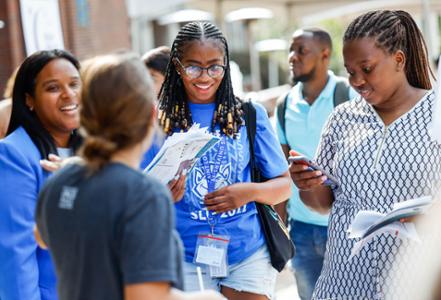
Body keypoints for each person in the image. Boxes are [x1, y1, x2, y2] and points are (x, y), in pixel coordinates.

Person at [35, 53, 224, 300]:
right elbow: (145, 296)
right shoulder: (143, 194)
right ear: (151, 113)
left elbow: (42, 237)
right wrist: (208, 297)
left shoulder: (60, 180)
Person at [289, 10, 441, 299]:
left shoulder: (436, 116)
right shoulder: (341, 119)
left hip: (412, 282)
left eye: (367, 69)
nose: (356, 80)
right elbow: (321, 205)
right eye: (350, 71)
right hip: (343, 281)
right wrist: (307, 183)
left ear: (398, 59)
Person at [155, 21, 291, 300]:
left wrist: (249, 192)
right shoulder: (157, 122)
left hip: (247, 252)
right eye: (193, 66)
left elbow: (284, 186)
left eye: (214, 66)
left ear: (226, 66)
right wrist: (161, 196)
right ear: (177, 67)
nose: (205, 76)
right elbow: (136, 193)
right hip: (185, 257)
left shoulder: (249, 114)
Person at [274, 28, 356, 300]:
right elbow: (282, 172)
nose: (292, 57)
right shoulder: (285, 105)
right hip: (302, 232)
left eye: (301, 50)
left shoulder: (349, 96)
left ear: (325, 54)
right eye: (291, 49)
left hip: (346, 228)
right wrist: (281, 232)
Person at [0, 49, 82, 300]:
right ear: (29, 100)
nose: (68, 95)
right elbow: (17, 252)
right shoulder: (14, 154)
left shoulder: (98, 148)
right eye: (53, 88)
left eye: (74, 84)